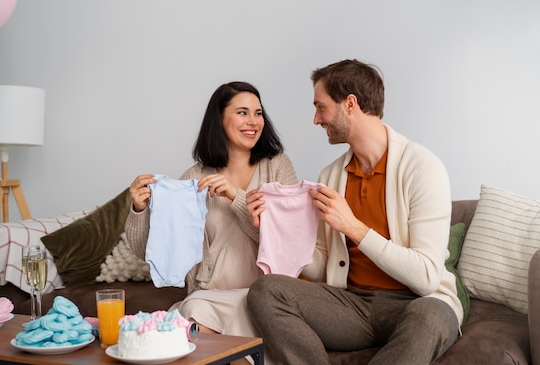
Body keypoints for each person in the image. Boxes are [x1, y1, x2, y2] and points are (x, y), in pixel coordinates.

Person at [246, 59, 461, 365]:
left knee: (432, 316)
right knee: (266, 290)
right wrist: (270, 227)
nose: (316, 119)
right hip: (351, 305)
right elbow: (320, 269)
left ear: (350, 104)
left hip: (415, 303)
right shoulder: (331, 176)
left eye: (321, 107)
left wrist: (354, 228)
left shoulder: (423, 168)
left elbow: (427, 277)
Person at [126, 81, 298, 342]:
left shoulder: (277, 167)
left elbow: (285, 241)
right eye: (242, 112)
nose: (253, 122)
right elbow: (155, 250)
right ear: (219, 119)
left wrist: (235, 196)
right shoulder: (194, 177)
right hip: (207, 296)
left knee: (189, 323)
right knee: (193, 313)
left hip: (263, 296)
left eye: (258, 113)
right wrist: (140, 210)